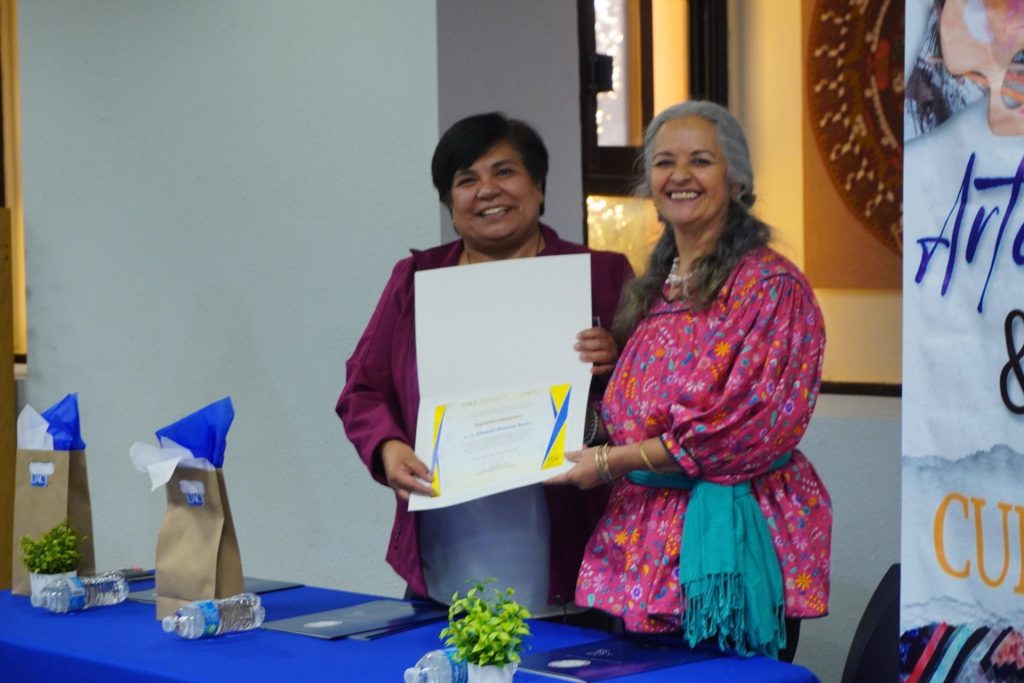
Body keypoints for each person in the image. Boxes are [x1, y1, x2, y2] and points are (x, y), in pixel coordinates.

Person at [548, 101, 832, 660]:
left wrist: (609, 462)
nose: (680, 175)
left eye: (700, 160)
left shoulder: (770, 287)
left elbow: (737, 434)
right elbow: (635, 416)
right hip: (638, 550)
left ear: (737, 180)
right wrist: (579, 414)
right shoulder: (655, 292)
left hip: (727, 549)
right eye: (664, 163)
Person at [336, 112, 633, 618]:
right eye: (466, 180)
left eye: (504, 172)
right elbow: (363, 388)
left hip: (573, 546)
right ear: (451, 205)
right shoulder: (415, 280)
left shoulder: (602, 276)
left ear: (539, 186)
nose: (487, 190)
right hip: (446, 543)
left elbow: (658, 391)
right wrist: (387, 447)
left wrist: (618, 359)